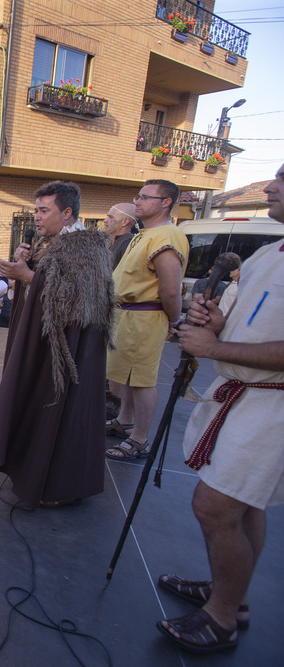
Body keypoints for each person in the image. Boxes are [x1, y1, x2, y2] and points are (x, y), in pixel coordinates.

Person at [155, 165, 284, 653]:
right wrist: (217, 320)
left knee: (214, 505)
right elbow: (246, 322)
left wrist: (213, 349)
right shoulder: (268, 255)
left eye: (282, 179)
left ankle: (221, 618)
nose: (270, 187)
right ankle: (234, 593)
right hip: (245, 398)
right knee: (244, 502)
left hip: (272, 406)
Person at [0, 180, 114, 507]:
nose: (35, 217)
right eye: (35, 210)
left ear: (66, 213)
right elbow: (52, 285)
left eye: (42, 210)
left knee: (60, 415)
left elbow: (79, 301)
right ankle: (32, 471)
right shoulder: (52, 242)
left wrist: (27, 277)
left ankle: (57, 487)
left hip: (70, 354)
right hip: (51, 346)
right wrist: (25, 266)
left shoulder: (85, 246)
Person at [104, 180, 189, 461]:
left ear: (165, 202)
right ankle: (125, 421)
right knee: (128, 375)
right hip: (128, 316)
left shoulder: (167, 236)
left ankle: (140, 439)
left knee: (141, 381)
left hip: (145, 316)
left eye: (145, 197)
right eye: (137, 197)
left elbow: (170, 289)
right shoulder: (146, 234)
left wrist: (175, 321)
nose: (137, 201)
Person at [103, 202, 137, 270]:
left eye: (111, 217)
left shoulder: (127, 245)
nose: (105, 220)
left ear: (125, 221)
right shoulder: (109, 241)